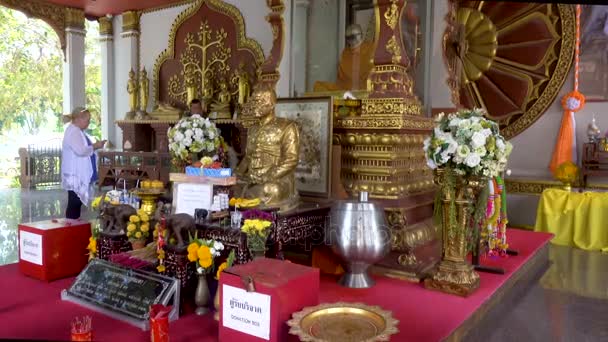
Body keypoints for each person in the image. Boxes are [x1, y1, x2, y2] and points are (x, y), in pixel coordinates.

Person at [61, 107, 106, 220]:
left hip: (76, 172)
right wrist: (96, 145)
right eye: (87, 120)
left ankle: (73, 225)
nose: (88, 123)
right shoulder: (74, 132)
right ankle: (71, 226)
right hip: (75, 173)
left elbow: (84, 148)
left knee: (76, 202)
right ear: (78, 119)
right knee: (74, 202)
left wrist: (94, 146)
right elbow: (80, 150)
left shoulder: (77, 131)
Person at [313, 24, 375, 92]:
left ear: (361, 35)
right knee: (318, 86)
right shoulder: (345, 53)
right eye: (348, 37)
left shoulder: (371, 48)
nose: (351, 40)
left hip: (366, 90)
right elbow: (341, 78)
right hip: (346, 91)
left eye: (353, 37)